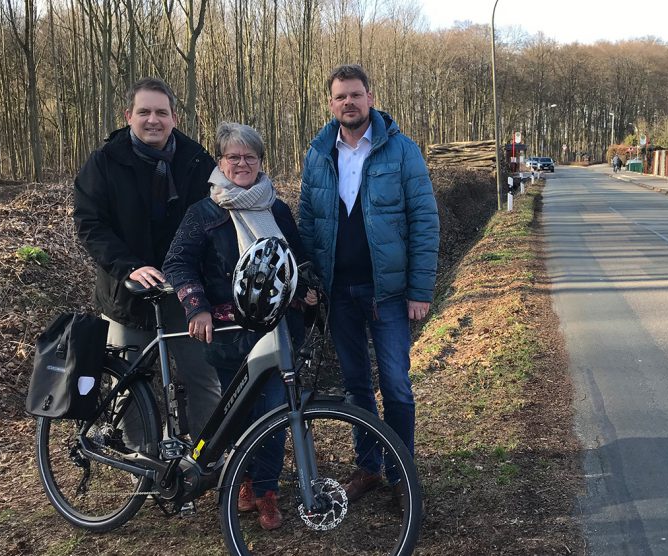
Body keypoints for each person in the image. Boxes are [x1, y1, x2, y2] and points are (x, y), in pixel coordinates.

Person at [298, 64, 439, 508]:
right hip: (339, 293)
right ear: (330, 103)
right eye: (340, 97)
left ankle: (402, 474)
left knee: (396, 383)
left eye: (356, 95)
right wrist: (311, 281)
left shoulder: (402, 150)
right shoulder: (318, 153)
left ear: (371, 97)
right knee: (357, 386)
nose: (349, 103)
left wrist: (420, 290)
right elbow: (307, 222)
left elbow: (424, 221)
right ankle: (369, 466)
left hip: (390, 293)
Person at [163, 122, 315, 530]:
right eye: (234, 156)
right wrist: (196, 307)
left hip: (276, 330)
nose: (242, 163)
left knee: (273, 412)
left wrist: (307, 289)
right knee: (239, 417)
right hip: (229, 334)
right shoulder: (205, 212)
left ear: (261, 161)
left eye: (250, 156)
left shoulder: (277, 209)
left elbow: (295, 262)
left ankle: (266, 491)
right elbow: (178, 262)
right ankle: (243, 484)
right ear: (221, 162)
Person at [72, 77, 220, 437]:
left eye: (161, 112)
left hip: (184, 292)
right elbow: (91, 224)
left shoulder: (196, 160)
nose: (152, 120)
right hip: (127, 294)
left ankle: (209, 462)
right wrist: (129, 268)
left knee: (205, 379)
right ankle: (143, 465)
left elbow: (216, 219)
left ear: (174, 118)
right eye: (144, 112)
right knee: (129, 386)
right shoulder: (104, 162)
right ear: (128, 115)